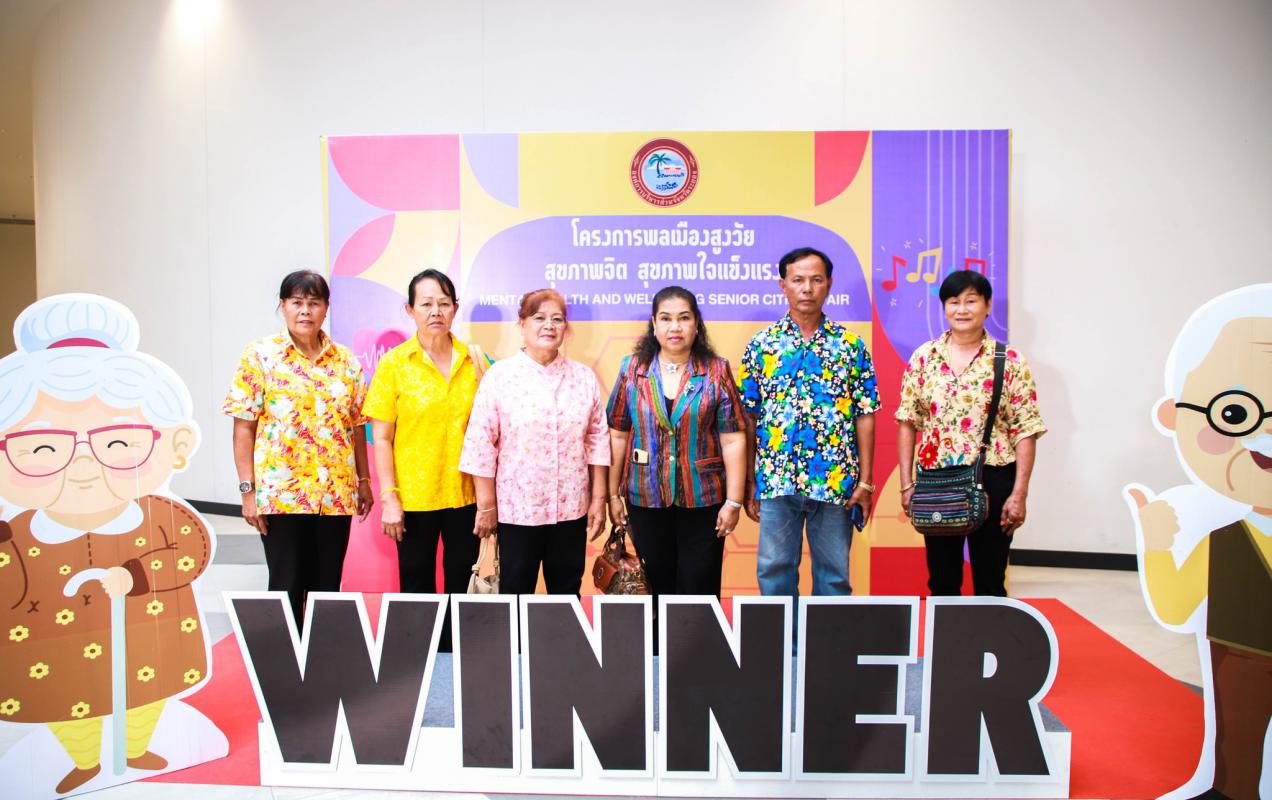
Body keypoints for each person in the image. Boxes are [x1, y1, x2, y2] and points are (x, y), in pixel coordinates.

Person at [0, 294, 214, 793]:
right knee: (63, 700)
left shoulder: (160, 514)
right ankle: (82, 760)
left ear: (176, 446)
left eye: (117, 443)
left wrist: (137, 575)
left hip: (150, 636)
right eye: (43, 448)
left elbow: (190, 553)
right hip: (50, 648)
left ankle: (136, 748)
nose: (83, 465)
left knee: (146, 691)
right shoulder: (18, 533)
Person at [1127, 284, 1270, 800]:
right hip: (1240, 652)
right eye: (1235, 414)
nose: (1264, 437)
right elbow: (1175, 605)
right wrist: (1157, 543)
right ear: (1175, 416)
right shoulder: (1225, 541)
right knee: (1239, 751)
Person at [223, 270, 372, 626]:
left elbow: (355, 427)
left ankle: (322, 655)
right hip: (282, 495)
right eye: (297, 302)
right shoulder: (260, 356)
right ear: (283, 306)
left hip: (335, 494)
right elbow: (244, 428)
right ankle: (288, 658)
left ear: (326, 308)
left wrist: (364, 481)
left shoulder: (345, 361)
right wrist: (248, 491)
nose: (305, 311)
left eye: (314, 303)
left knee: (327, 587)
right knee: (286, 582)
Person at [738, 246, 880, 599]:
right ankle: (780, 636)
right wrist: (749, 481)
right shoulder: (762, 345)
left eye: (816, 280)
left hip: (835, 481)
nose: (807, 288)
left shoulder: (850, 345)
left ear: (828, 284)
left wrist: (865, 481)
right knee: (774, 573)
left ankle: (827, 638)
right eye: (798, 280)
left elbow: (865, 415)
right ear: (782, 285)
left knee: (834, 577)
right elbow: (748, 417)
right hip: (776, 480)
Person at [896, 270, 1045, 596]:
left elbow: (1025, 430)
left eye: (971, 301)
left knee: (990, 580)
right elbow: (907, 421)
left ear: (987, 306)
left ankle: (989, 631)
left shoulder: (1010, 361)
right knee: (942, 580)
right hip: (938, 479)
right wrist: (907, 485)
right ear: (944, 307)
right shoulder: (924, 358)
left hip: (993, 477)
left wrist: (1019, 494)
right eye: (954, 302)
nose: (962, 309)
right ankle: (946, 632)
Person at [363, 269, 484, 650]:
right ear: (410, 310)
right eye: (426, 304)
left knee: (462, 582)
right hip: (414, 497)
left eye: (444, 303)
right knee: (416, 582)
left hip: (465, 494)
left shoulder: (474, 362)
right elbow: (381, 437)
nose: (436, 311)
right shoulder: (394, 365)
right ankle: (420, 661)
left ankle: (457, 659)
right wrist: (390, 498)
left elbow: (487, 433)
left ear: (455, 309)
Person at [458, 289, 609, 595]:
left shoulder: (583, 378)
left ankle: (563, 631)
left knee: (567, 591)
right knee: (515, 592)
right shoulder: (500, 377)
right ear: (522, 324)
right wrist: (486, 507)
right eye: (539, 318)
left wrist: (598, 499)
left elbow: (597, 439)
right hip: (517, 510)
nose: (549, 326)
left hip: (570, 508)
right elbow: (480, 443)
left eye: (557, 319)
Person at [606, 286, 747, 599]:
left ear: (696, 324)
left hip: (704, 498)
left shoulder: (716, 370)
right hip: (645, 496)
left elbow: (733, 439)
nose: (675, 327)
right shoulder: (633, 369)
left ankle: (696, 634)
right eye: (666, 318)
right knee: (654, 583)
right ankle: (657, 634)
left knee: (700, 584)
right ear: (653, 324)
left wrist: (734, 501)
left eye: (684, 318)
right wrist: (612, 495)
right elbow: (617, 433)